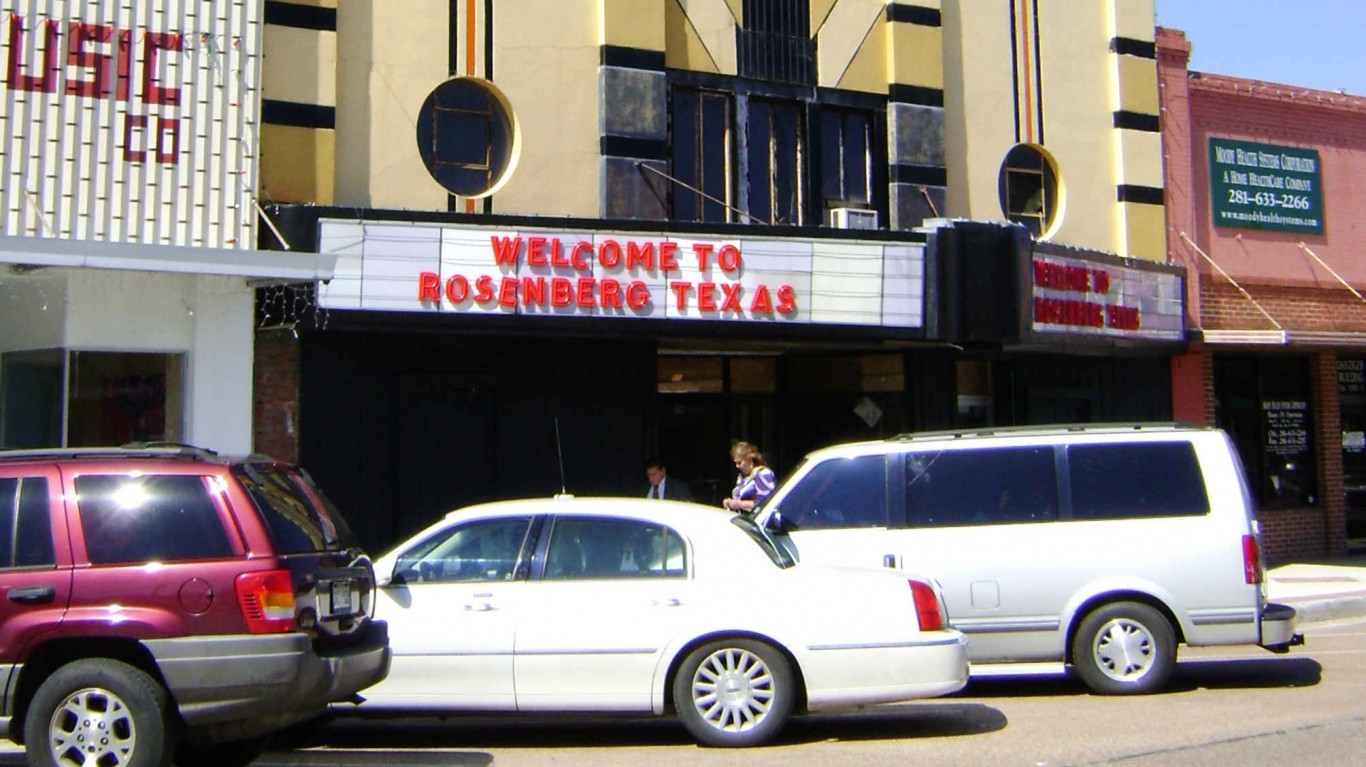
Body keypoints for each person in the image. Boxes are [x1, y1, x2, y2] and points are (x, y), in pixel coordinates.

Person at [723, 441, 775, 513]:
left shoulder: (762, 474)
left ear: (749, 459)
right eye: (735, 463)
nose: (737, 466)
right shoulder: (742, 477)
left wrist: (740, 504)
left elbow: (765, 503)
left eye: (739, 463)